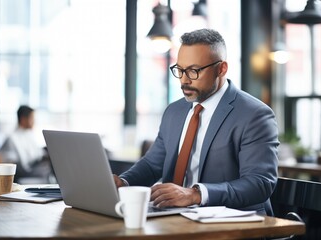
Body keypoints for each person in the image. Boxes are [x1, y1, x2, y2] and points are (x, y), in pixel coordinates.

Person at [114, 28, 279, 215]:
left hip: (232, 222)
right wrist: (124, 182)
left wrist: (195, 194)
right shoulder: (174, 111)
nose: (184, 80)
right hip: (174, 217)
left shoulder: (254, 115)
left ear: (221, 69)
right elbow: (153, 165)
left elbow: (260, 183)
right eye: (180, 70)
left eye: (193, 71)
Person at [0, 105, 52, 182]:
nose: (34, 121)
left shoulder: (29, 134)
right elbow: (23, 165)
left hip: (35, 166)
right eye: (32, 118)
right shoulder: (12, 138)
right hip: (27, 172)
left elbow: (36, 153)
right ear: (23, 119)